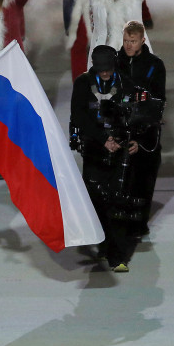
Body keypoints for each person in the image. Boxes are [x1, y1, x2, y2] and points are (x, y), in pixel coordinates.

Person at [70, 45, 138, 272]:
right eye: (101, 70)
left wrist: (121, 139)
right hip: (94, 148)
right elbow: (78, 115)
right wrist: (102, 139)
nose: (105, 74)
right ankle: (102, 243)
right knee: (96, 199)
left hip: (119, 149)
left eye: (108, 69)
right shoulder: (82, 83)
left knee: (117, 200)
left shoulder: (126, 84)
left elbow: (135, 115)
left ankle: (117, 255)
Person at [116, 21, 165, 236]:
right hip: (119, 129)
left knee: (144, 177)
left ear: (142, 41)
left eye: (133, 41)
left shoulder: (155, 65)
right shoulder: (114, 62)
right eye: (126, 40)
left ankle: (139, 221)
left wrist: (141, 136)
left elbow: (157, 102)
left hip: (146, 133)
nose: (128, 45)